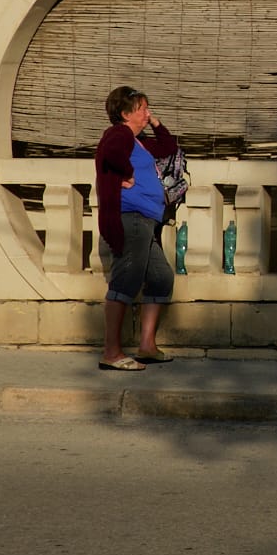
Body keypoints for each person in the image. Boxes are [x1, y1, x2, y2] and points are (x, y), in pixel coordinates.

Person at [94, 85, 178, 370]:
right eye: (142, 108)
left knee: (160, 278)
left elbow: (168, 147)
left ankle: (147, 346)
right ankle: (112, 352)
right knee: (126, 279)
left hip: (147, 220)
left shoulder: (138, 140)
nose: (146, 112)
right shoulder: (119, 134)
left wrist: (154, 122)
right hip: (131, 216)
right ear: (126, 112)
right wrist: (126, 174)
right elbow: (111, 154)